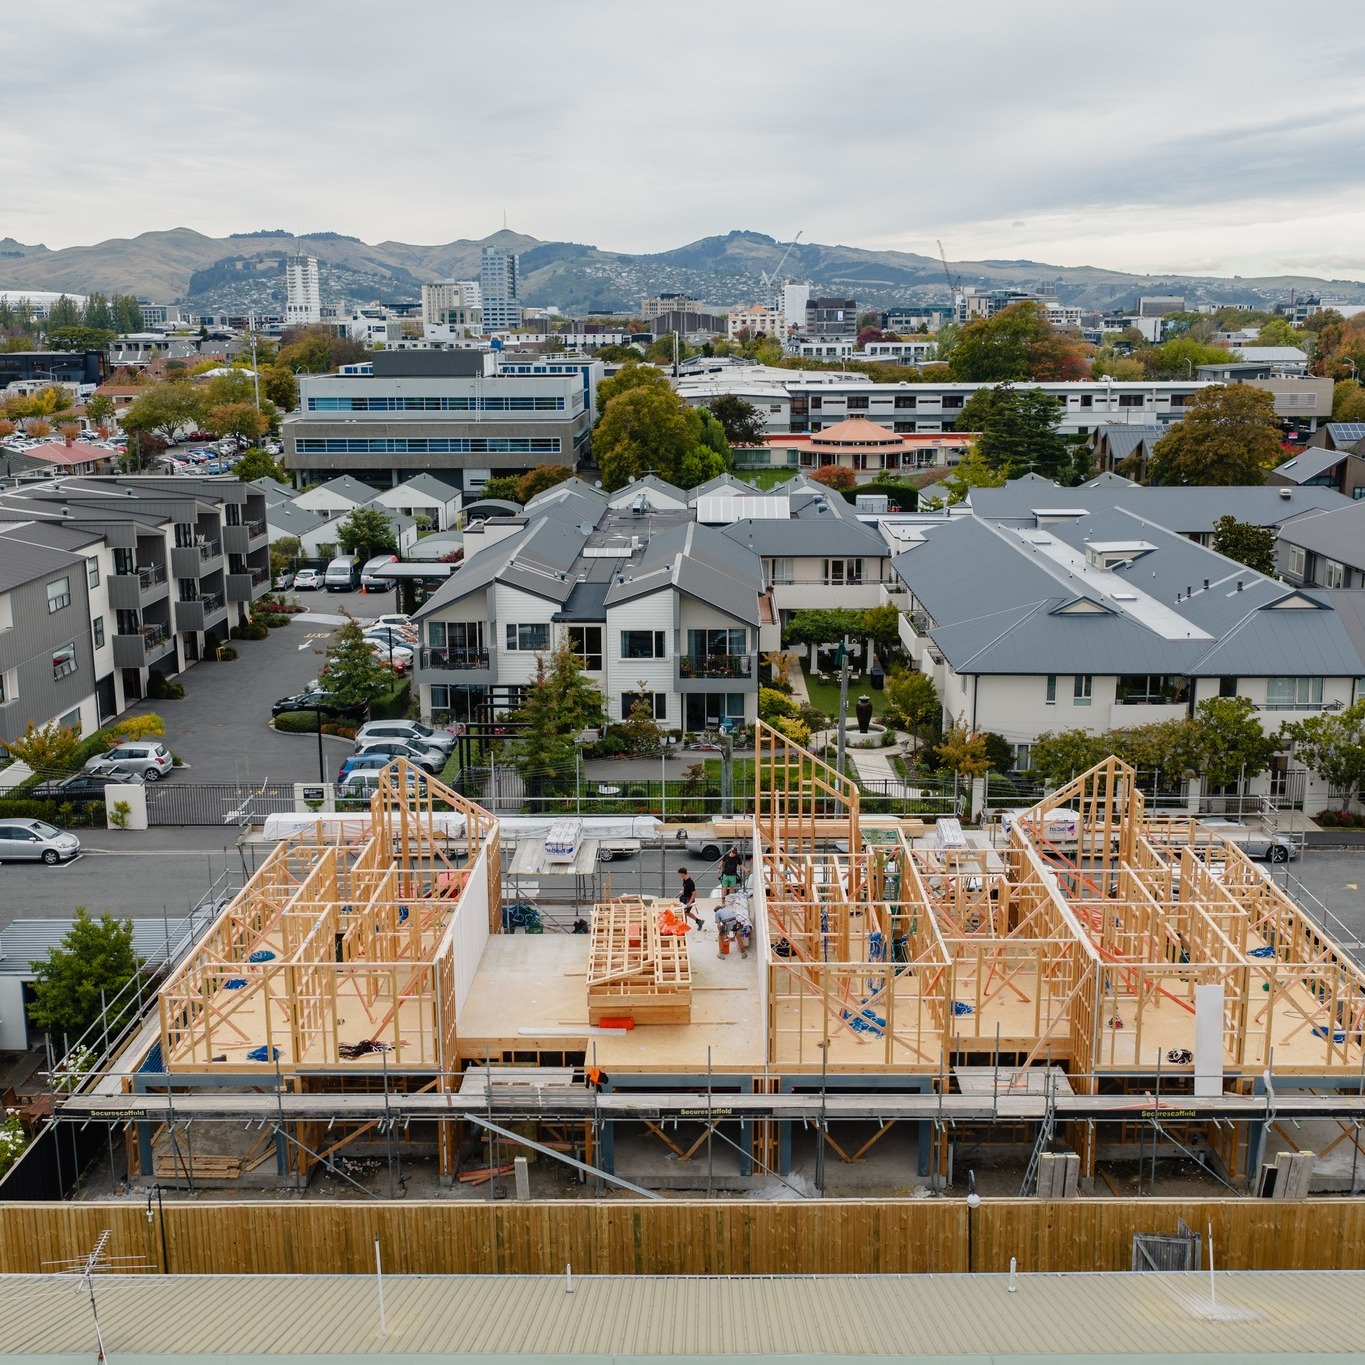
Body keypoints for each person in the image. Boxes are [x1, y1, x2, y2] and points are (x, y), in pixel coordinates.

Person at [677, 866, 703, 930]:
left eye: (680, 874)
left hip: (689, 899)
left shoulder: (690, 882)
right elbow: (684, 887)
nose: (680, 876)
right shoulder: (684, 880)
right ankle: (698, 921)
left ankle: (684, 926)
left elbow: (694, 893)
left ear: (683, 873)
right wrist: (682, 891)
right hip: (685, 898)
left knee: (685, 913)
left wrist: (690, 902)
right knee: (686, 913)